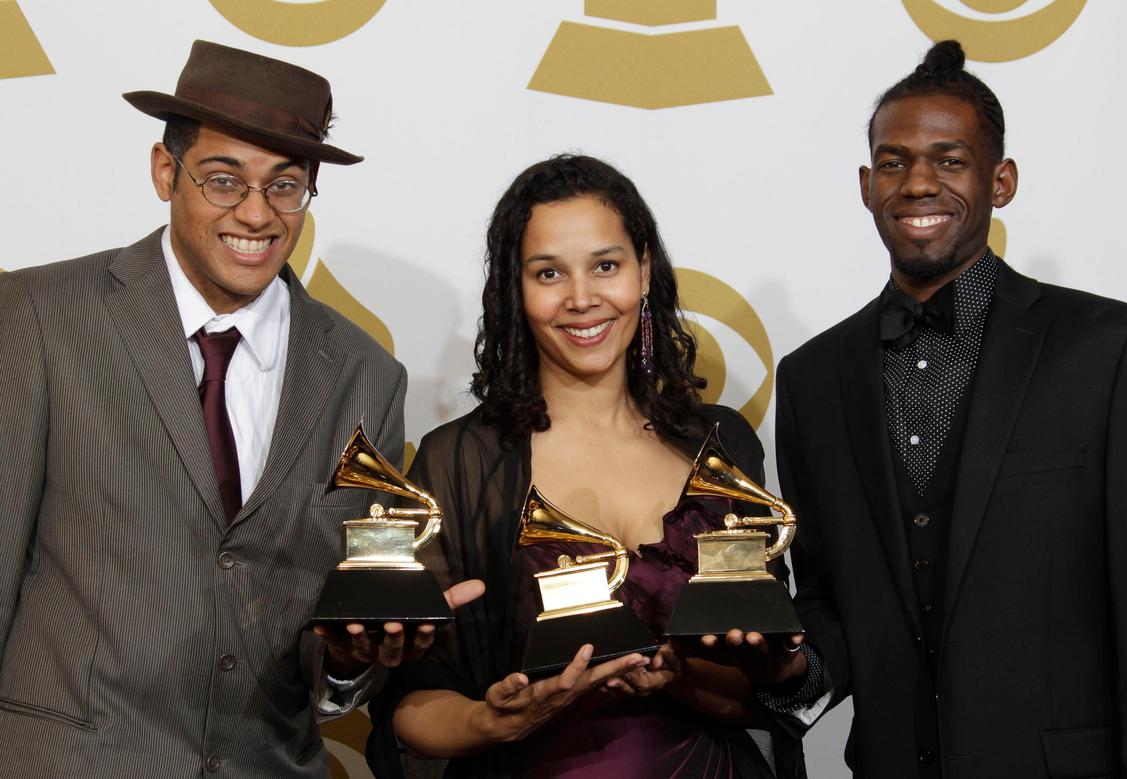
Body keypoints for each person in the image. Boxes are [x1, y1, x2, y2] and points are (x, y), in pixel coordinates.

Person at [0, 40, 480, 777]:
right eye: (224, 180)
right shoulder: (37, 315)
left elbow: (332, 645)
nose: (256, 214)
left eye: (285, 186)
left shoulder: (366, 375)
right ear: (167, 172)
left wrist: (353, 658)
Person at [366, 154, 811, 778]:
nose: (582, 299)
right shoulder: (462, 464)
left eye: (606, 266)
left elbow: (778, 687)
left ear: (645, 270)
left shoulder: (723, 445)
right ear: (515, 290)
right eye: (549, 273)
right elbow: (409, 706)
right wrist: (493, 721)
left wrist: (681, 679)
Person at [775, 40, 1127, 778]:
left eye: (948, 159)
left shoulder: (1109, 349)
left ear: (1000, 180)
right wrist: (790, 668)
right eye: (893, 161)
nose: (916, 183)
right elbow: (825, 599)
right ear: (864, 184)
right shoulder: (811, 378)